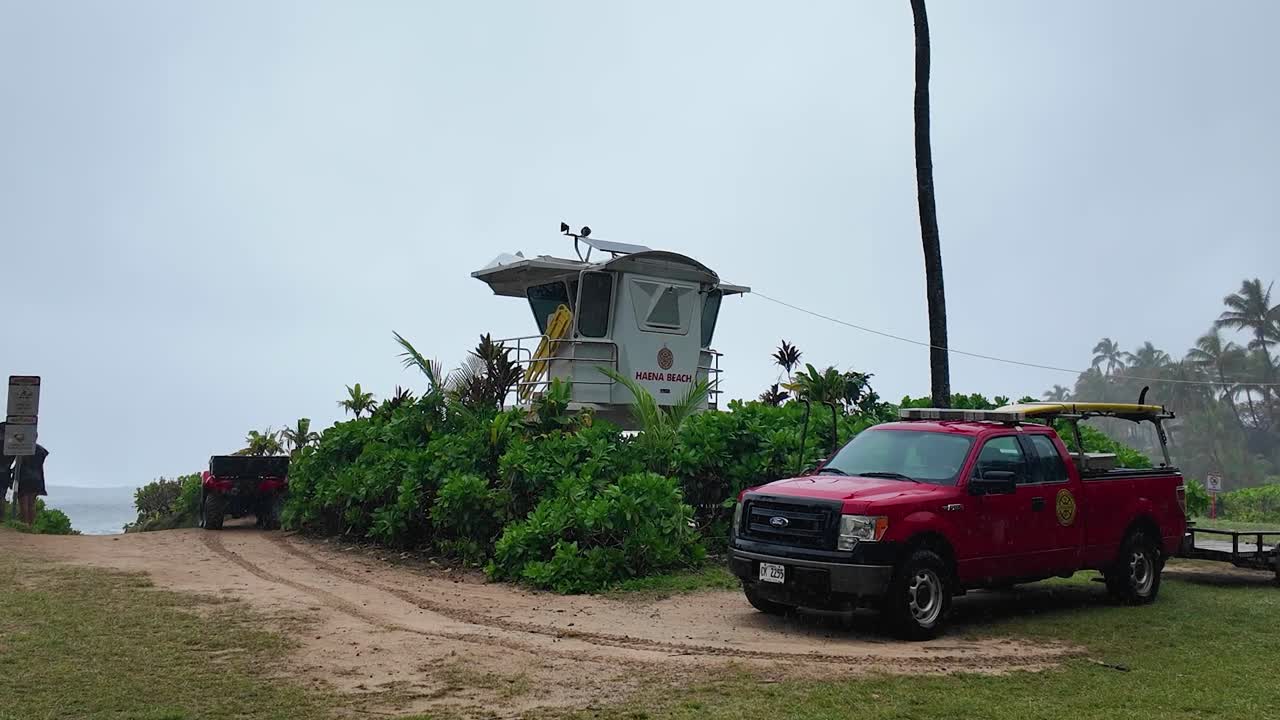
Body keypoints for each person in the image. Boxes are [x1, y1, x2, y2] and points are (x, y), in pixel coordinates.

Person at [15, 442, 48, 526]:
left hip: (24, 478)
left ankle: (24, 525)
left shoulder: (23, 449)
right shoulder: (41, 450)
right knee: (31, 504)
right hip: (37, 478)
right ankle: (31, 525)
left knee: (23, 503)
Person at [0, 422, 12, 522]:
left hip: (4, 471)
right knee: (2, 496)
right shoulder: (11, 445)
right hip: (5, 473)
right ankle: (1, 518)